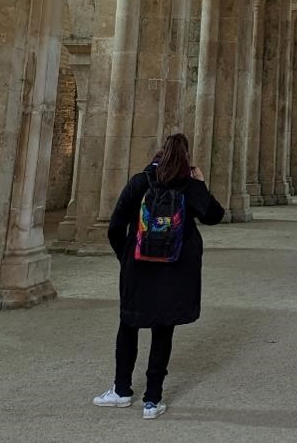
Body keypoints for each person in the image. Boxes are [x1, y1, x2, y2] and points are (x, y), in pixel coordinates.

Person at [91, 132, 225, 420]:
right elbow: (214, 215)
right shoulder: (189, 186)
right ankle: (152, 400)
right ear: (186, 158)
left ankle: (121, 390)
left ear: (159, 153)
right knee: (163, 330)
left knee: (128, 324)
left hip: (138, 266)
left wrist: (126, 257)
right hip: (174, 269)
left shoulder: (140, 182)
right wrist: (200, 183)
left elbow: (115, 226)